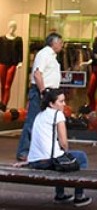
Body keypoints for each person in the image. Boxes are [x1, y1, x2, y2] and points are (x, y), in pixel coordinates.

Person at [27, 87, 92, 206]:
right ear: (52, 104)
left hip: (35, 161)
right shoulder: (57, 114)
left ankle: (60, 195)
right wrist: (66, 153)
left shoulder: (39, 115)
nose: (64, 104)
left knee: (60, 157)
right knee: (80, 157)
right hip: (48, 161)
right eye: (61, 101)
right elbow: (63, 142)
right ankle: (79, 196)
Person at [17, 32, 63, 161]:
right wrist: (43, 91)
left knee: (45, 122)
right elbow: (37, 74)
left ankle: (40, 151)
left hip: (49, 92)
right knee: (33, 120)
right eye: (60, 42)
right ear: (53, 43)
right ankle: (24, 151)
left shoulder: (52, 56)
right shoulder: (44, 54)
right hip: (41, 91)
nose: (62, 45)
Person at [0, 19, 23, 111]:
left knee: (7, 86)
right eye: (11, 26)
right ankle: (1, 103)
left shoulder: (18, 39)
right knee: (2, 85)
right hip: (2, 62)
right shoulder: (1, 39)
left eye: (14, 27)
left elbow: (20, 51)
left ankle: (4, 105)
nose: (12, 28)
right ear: (8, 27)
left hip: (13, 63)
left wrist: (20, 62)